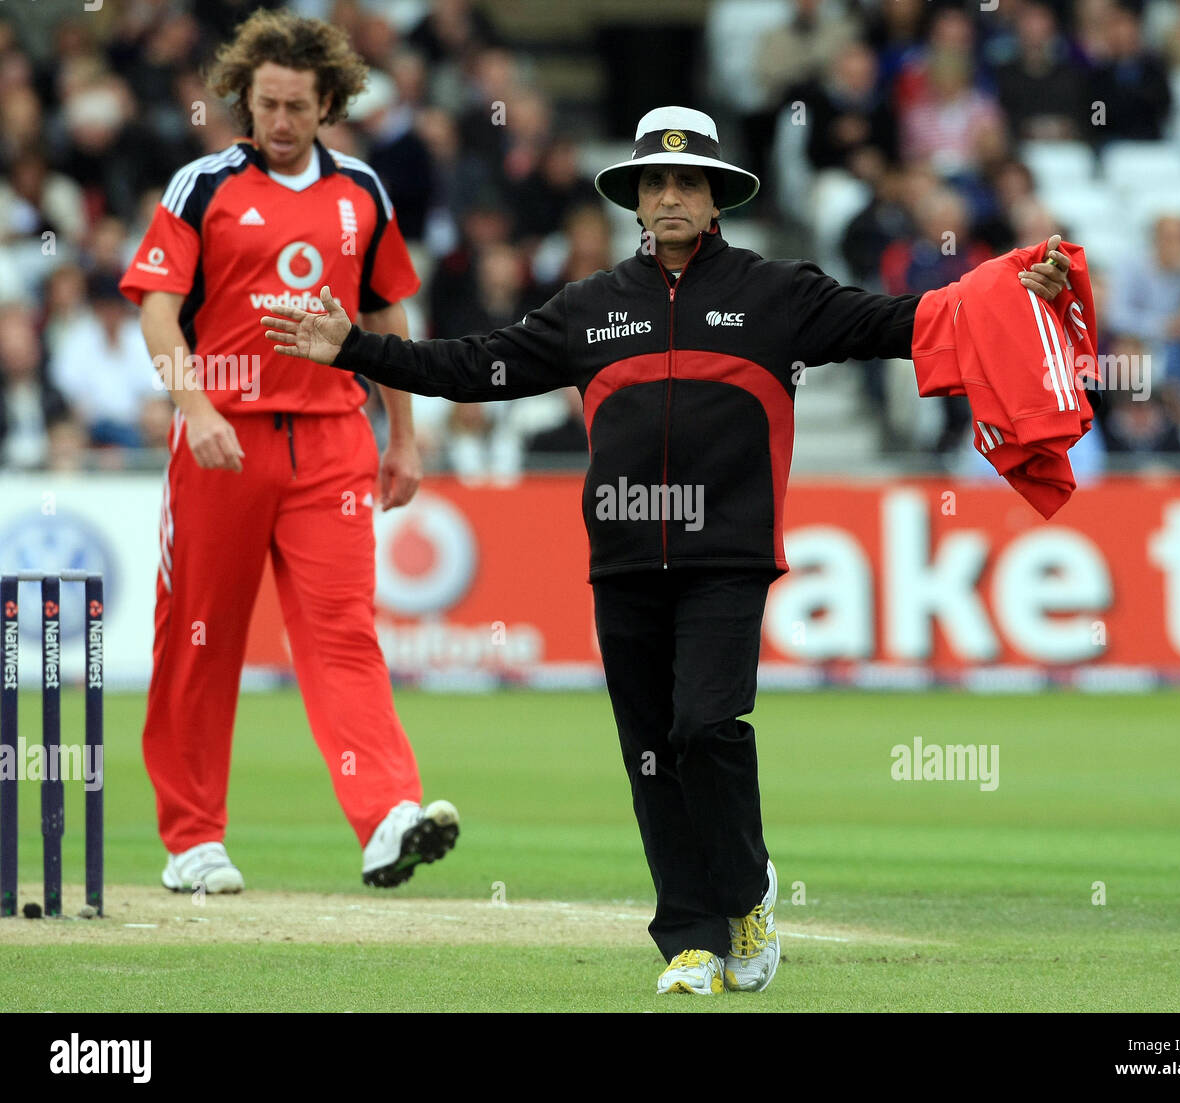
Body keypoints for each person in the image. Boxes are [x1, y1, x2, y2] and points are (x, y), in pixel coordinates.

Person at [262, 106, 1070, 995]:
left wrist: (1009, 288)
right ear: (637, 200)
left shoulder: (777, 293)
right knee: (649, 750)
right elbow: (474, 366)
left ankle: (747, 891)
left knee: (704, 727)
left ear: (717, 197)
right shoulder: (591, 305)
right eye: (656, 182)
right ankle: (690, 937)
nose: (672, 195)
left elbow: (904, 320)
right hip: (621, 564)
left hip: (727, 559)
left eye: (688, 181)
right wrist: (354, 349)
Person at [118, 10, 459, 896]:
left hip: (333, 442)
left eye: (294, 106)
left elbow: (386, 316)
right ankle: (192, 839)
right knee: (201, 640)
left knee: (344, 635)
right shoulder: (203, 184)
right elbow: (157, 304)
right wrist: (193, 406)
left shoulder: (363, 194)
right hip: (222, 439)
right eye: (263, 103)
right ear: (243, 97)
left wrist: (407, 434)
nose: (275, 120)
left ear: (329, 104)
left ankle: (387, 815)